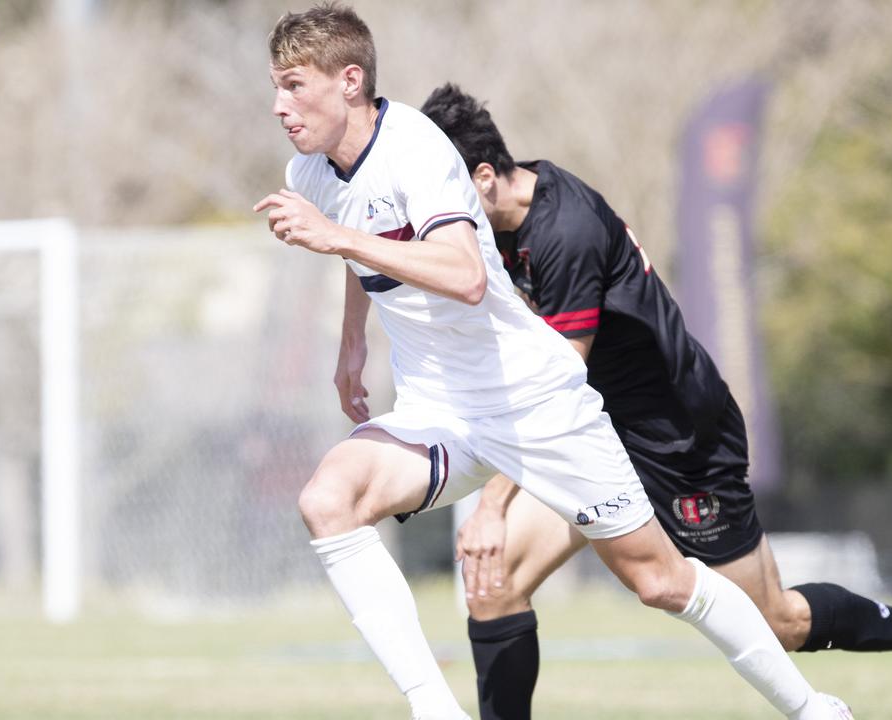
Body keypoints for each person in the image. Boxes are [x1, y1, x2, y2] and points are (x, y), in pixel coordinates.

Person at [255, 5, 852, 719]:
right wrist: (352, 343)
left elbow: (464, 275)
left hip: (536, 403)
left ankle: (815, 710)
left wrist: (333, 238)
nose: (279, 105)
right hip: (440, 412)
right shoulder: (311, 170)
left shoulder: (416, 147)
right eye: (276, 87)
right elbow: (359, 234)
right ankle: (433, 709)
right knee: (329, 499)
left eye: (294, 85)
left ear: (349, 80)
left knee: (661, 581)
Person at [419, 82, 892, 720]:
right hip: (596, 433)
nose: (434, 214)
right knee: (495, 580)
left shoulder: (565, 231)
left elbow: (555, 387)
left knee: (773, 620)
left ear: (482, 177)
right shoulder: (486, 230)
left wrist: (491, 504)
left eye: (441, 192)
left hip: (678, 440)